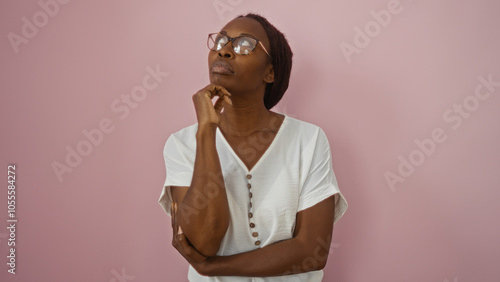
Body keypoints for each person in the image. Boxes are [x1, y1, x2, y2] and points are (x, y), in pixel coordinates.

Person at [158, 13, 348, 281]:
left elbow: (311, 252)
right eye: (221, 41)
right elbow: (203, 242)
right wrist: (206, 133)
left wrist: (212, 268)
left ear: (270, 72)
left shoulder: (308, 140)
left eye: (244, 45)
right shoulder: (182, 145)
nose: (224, 50)